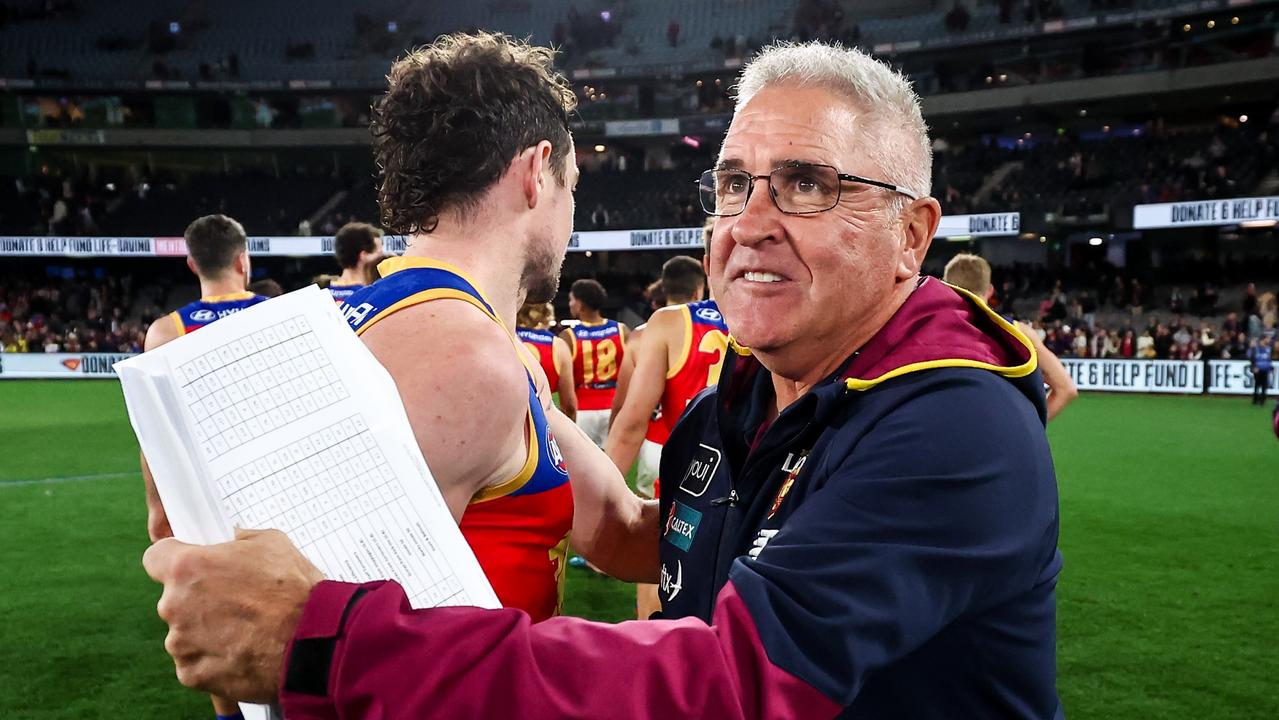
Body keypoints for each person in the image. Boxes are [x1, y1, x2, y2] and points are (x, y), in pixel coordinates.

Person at [144, 41, 1063, 718]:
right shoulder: (722, 412)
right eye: (733, 183)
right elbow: (650, 544)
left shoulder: (954, 423)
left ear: (913, 233)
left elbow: (730, 687)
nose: (749, 221)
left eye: (807, 184)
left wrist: (333, 640)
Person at [139, 213, 269, 720]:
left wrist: (157, 510)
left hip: (203, 496)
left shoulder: (166, 332)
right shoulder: (279, 313)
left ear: (192, 262)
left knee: (214, 623)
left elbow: (156, 437)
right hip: (273, 487)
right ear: (244, 260)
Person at [606, 252, 726, 618]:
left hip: (685, 462)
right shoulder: (778, 312)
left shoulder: (663, 325)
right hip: (751, 466)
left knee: (665, 565)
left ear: (709, 263)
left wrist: (602, 511)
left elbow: (630, 420)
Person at [944, 253, 1078, 420]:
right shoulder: (1018, 332)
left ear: (945, 288)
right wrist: (1029, 431)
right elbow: (1066, 388)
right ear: (990, 290)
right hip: (1000, 437)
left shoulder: (927, 329)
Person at [561, 278, 629, 446]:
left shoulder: (568, 336)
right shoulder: (622, 330)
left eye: (571, 299)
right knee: (612, 463)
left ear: (580, 304)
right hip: (614, 407)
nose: (570, 304)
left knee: (583, 466)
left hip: (583, 408)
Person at [516, 301, 578, 421]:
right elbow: (569, 404)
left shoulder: (504, 336)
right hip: (545, 421)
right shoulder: (558, 345)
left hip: (511, 421)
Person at [327, 222, 384, 304]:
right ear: (364, 255)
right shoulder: (370, 299)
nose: (382, 258)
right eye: (379, 253)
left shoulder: (321, 295)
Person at [1249, 337, 1273, 406]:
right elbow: (1252, 359)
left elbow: (1269, 360)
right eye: (1262, 341)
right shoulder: (1256, 350)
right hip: (1258, 370)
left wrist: (1270, 367)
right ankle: (1255, 399)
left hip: (1265, 370)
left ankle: (1262, 400)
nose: (1263, 342)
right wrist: (1253, 367)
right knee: (1257, 385)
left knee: (1264, 386)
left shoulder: (1268, 349)